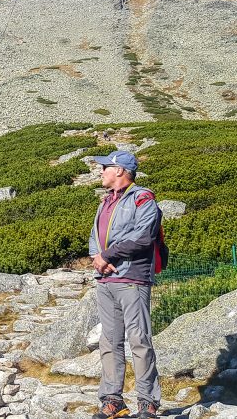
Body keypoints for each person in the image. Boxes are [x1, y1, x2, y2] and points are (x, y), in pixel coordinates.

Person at [88, 150, 162, 419]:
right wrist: (98, 260)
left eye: (105, 167)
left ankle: (147, 401)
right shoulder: (106, 201)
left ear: (120, 171)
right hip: (105, 279)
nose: (101, 171)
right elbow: (95, 236)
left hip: (132, 278)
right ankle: (112, 400)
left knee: (139, 340)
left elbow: (143, 238)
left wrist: (107, 256)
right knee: (109, 341)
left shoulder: (144, 199)